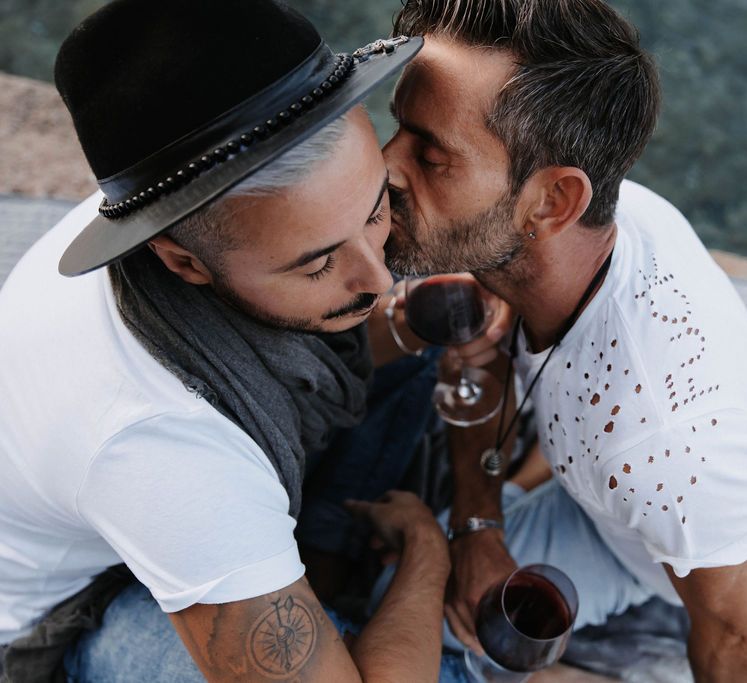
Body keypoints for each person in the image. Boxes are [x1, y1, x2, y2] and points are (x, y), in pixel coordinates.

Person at [0, 1, 468, 681]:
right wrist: (428, 549)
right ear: (182, 261)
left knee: (433, 331)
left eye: (375, 209)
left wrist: (406, 324)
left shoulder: (178, 190)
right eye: (316, 263)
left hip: (117, 504)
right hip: (74, 607)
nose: (376, 275)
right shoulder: (168, 451)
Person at [382, 0, 747, 680]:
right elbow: (479, 351)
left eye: (429, 155)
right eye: (399, 129)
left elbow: (732, 639)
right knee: (393, 605)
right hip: (603, 505)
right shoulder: (534, 237)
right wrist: (477, 524)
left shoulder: (664, 444)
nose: (383, 165)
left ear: (552, 202)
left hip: (668, 543)